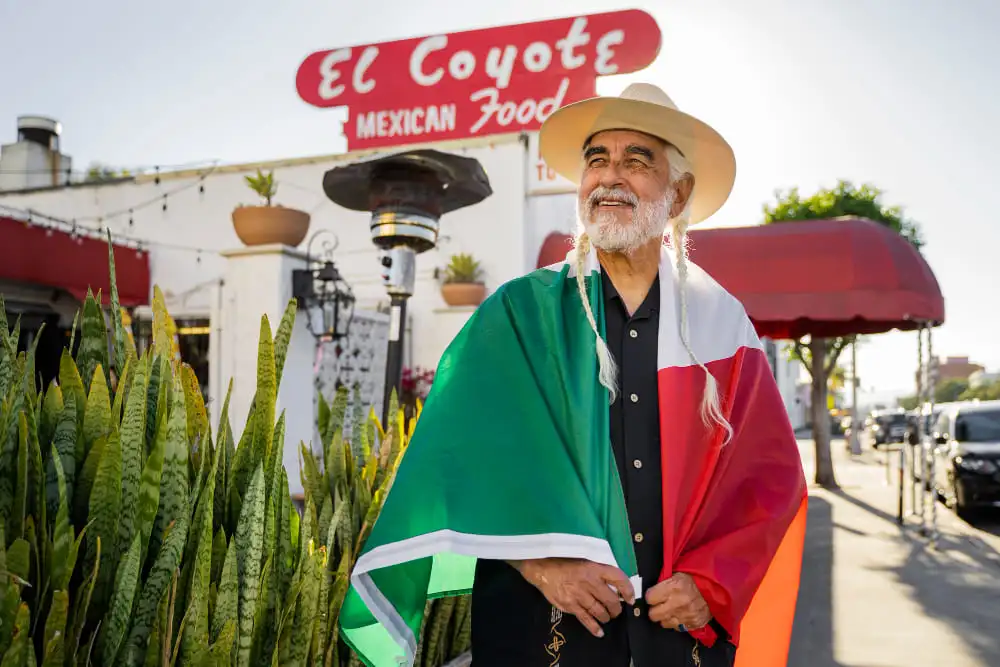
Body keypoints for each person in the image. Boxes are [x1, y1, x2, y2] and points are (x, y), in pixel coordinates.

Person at [339, 84, 807, 667]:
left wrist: (710, 584)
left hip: (676, 638)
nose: (610, 177)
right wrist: (542, 563)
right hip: (543, 632)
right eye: (596, 160)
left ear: (678, 192)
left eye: (637, 161)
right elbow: (458, 461)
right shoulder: (517, 315)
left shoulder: (721, 324)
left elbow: (770, 481)